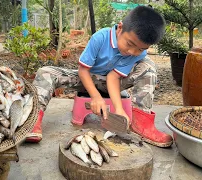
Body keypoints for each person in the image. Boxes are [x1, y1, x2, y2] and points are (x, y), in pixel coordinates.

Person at [25, 6, 173, 148]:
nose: (133, 52)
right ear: (120, 28)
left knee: (147, 66)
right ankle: (33, 119)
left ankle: (142, 124)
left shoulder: (138, 53)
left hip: (114, 83)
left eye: (141, 49)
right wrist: (95, 97)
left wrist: (119, 110)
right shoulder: (100, 38)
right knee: (46, 72)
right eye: (130, 44)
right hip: (86, 79)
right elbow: (83, 70)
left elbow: (113, 77)